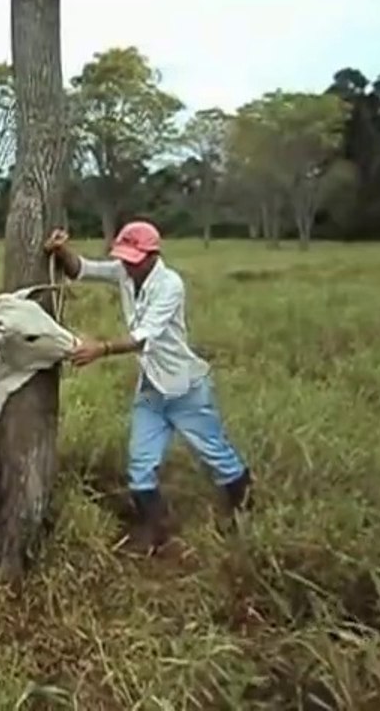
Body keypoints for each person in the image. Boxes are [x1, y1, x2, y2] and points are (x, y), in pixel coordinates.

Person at [44, 221, 253, 555]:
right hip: (152, 388)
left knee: (217, 456)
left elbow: (144, 337)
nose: (128, 265)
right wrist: (61, 250)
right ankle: (158, 535)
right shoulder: (124, 272)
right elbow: (81, 269)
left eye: (135, 259)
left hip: (185, 388)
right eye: (124, 258)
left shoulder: (170, 285)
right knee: (141, 465)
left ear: (153, 255)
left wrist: (102, 348)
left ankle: (245, 518)